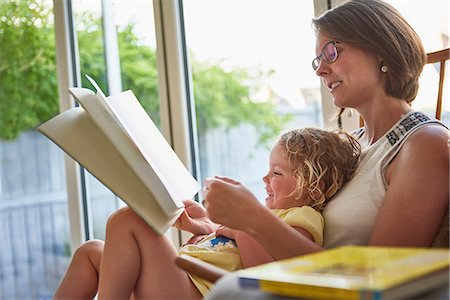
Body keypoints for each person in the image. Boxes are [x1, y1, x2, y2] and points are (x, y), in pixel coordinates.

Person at [55, 0, 449, 299]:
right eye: (318, 58)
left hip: (292, 291)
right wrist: (211, 226)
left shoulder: (424, 145)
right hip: (272, 279)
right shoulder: (354, 146)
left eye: (332, 51)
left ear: (383, 51)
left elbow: (376, 281)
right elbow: (295, 229)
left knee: (130, 223)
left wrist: (254, 220)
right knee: (96, 249)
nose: (320, 68)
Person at [54, 127, 361, 299]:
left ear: (314, 184)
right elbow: (226, 246)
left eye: (277, 174)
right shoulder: (270, 216)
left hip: (193, 292)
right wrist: (204, 225)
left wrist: (244, 224)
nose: (266, 180)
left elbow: (261, 275)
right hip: (181, 280)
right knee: (90, 251)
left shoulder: (303, 218)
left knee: (127, 220)